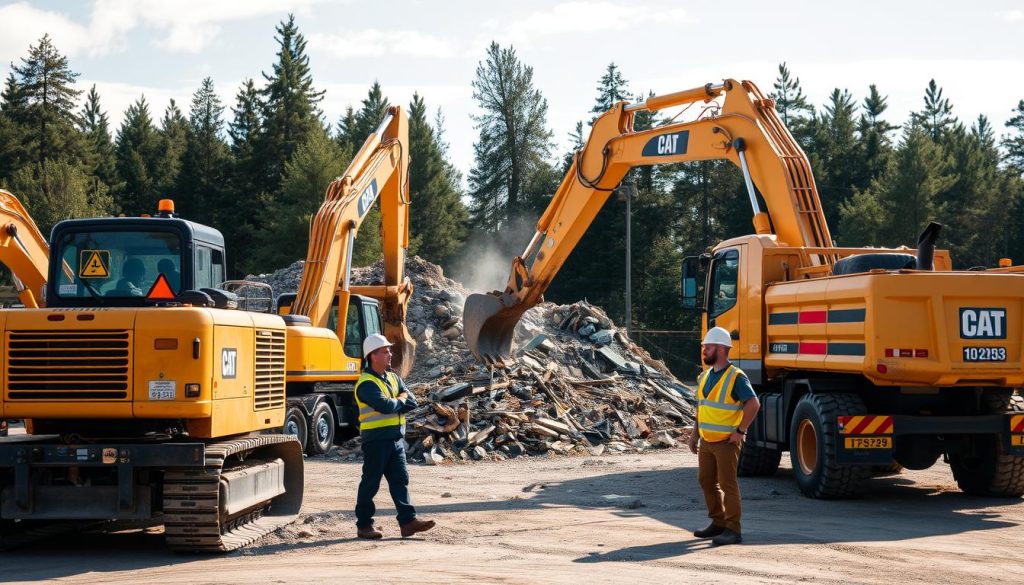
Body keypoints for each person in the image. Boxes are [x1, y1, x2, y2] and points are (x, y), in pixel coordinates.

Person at [354, 333, 435, 539]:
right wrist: (401, 399)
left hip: (395, 440)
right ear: (373, 356)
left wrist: (398, 400)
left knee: (400, 480)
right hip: (376, 440)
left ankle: (408, 522)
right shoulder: (366, 383)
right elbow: (385, 406)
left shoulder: (393, 377)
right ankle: (364, 525)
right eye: (385, 351)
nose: (390, 354)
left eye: (389, 350)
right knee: (371, 483)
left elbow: (412, 401)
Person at [688, 326, 761, 546]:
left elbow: (753, 404)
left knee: (727, 483)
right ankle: (718, 522)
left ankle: (733, 529)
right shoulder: (705, 376)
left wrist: (741, 431)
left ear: (720, 349)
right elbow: (702, 407)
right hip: (707, 441)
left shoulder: (736, 377)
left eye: (707, 347)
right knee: (706, 481)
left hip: (726, 442)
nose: (704, 351)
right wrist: (694, 435)